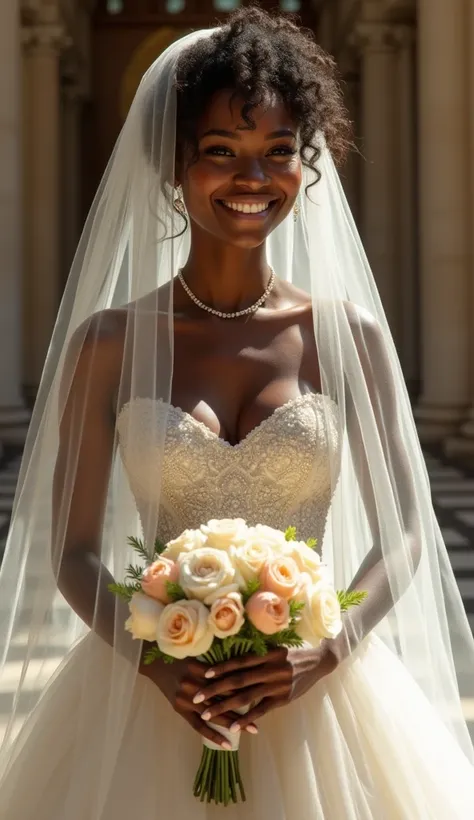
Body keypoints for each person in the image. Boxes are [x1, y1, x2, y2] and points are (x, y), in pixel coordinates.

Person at [0, 7, 473, 818]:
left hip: (320, 699)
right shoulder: (107, 343)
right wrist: (158, 665)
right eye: (220, 152)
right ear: (173, 168)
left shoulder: (348, 337)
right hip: (148, 699)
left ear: (304, 166)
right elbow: (75, 554)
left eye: (277, 153)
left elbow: (403, 532)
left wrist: (321, 653)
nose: (252, 177)